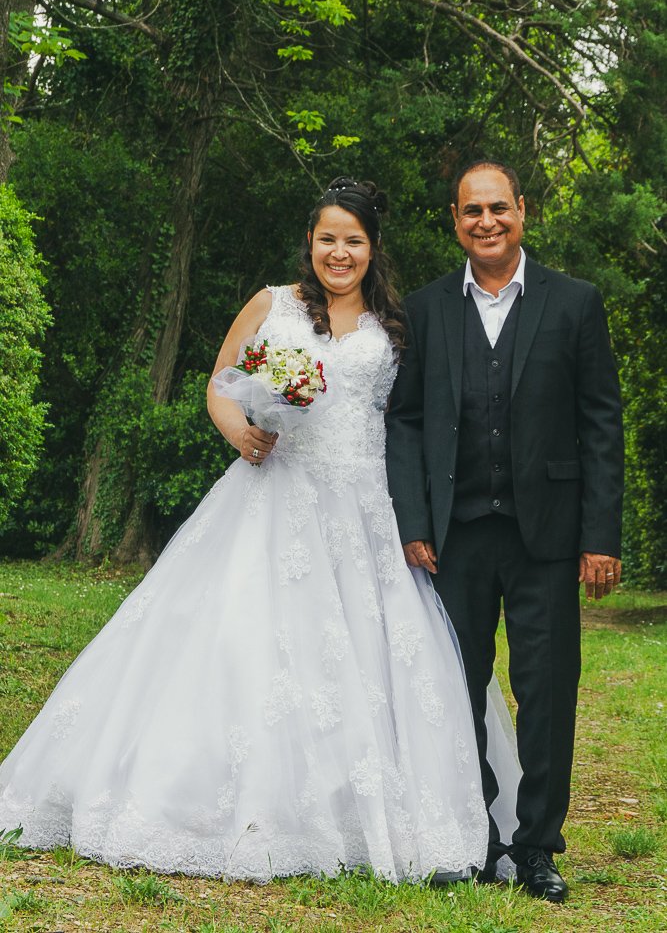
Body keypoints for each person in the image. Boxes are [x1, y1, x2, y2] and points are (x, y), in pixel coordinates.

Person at [0, 177, 518, 883]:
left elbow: (410, 418)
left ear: (372, 249)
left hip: (365, 506)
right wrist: (243, 431)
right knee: (245, 642)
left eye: (354, 241)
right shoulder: (272, 305)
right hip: (274, 491)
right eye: (328, 238)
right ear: (310, 242)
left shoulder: (394, 324)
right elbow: (220, 381)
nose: (340, 252)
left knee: (375, 658)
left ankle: (371, 812)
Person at [385, 160, 624, 903]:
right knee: (455, 689)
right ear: (453, 221)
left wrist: (600, 536)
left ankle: (536, 848)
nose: (484, 222)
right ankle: (474, 839)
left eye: (497, 208)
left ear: (521, 210)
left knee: (546, 691)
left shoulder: (574, 303)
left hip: (546, 537)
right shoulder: (425, 309)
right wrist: (414, 520)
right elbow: (405, 419)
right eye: (470, 212)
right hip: (453, 536)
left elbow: (599, 422)